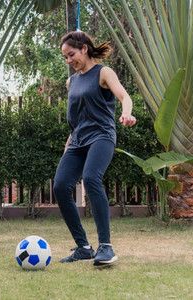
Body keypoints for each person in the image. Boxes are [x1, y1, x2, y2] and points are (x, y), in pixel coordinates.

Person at [53, 31, 136, 265]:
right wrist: (70, 141)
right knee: (60, 186)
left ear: (84, 49)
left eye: (71, 55)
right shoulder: (72, 81)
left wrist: (126, 113)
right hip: (78, 140)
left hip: (101, 136)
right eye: (65, 58)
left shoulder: (103, 72)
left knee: (91, 179)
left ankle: (106, 247)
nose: (69, 61)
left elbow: (124, 96)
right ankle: (83, 247)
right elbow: (77, 116)